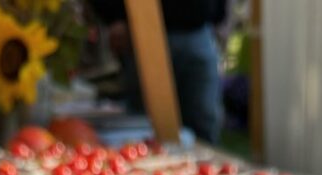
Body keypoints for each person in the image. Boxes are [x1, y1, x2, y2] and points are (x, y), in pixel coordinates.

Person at [91, 0, 226, 144]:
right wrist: (116, 18)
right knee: (146, 122)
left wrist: (221, 14)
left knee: (203, 116)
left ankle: (202, 163)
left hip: (198, 29)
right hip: (145, 30)